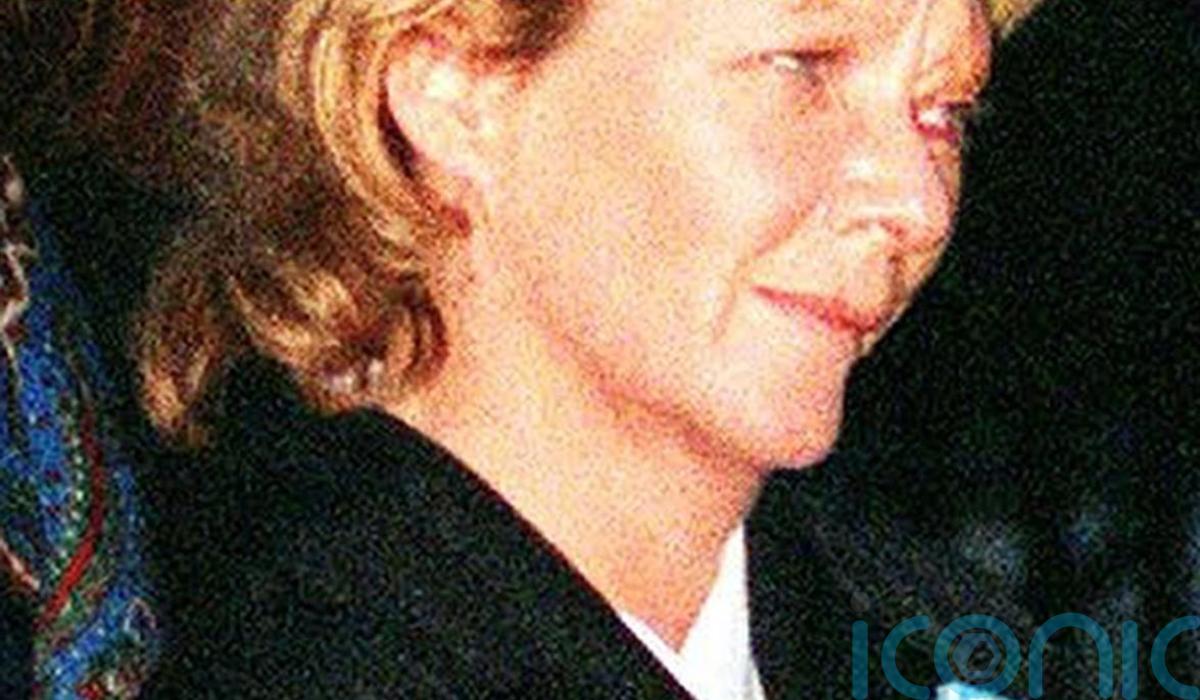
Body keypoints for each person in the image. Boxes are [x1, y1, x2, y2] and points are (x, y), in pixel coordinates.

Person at [15, 0, 1068, 697]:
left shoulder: (937, 638)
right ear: (456, 87)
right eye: (804, 68)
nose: (917, 203)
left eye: (944, 112)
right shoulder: (295, 650)